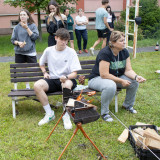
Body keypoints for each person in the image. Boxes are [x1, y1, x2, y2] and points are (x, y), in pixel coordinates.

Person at [88, 31, 146, 122]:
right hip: (97, 79)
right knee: (110, 85)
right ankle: (105, 113)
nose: (124, 42)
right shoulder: (105, 53)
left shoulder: (125, 52)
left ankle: (127, 105)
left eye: (124, 40)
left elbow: (128, 70)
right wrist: (120, 81)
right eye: (121, 41)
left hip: (114, 78)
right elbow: (104, 74)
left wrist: (136, 77)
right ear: (113, 43)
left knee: (134, 83)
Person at [34, 28, 81, 129]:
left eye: (66, 40)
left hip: (67, 78)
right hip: (53, 79)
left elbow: (75, 74)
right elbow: (41, 63)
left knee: (67, 84)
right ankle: (49, 113)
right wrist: (44, 72)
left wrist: (66, 77)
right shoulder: (48, 50)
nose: (64, 42)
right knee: (37, 85)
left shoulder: (71, 52)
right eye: (61, 39)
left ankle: (66, 115)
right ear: (56, 38)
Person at [11, 9, 39, 89]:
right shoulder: (16, 27)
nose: (22, 16)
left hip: (30, 51)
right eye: (21, 15)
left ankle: (37, 86)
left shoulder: (32, 26)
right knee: (24, 70)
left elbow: (35, 37)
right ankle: (27, 86)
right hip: (19, 52)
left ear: (27, 16)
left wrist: (26, 28)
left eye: (24, 14)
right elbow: (12, 40)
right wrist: (18, 43)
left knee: (34, 69)